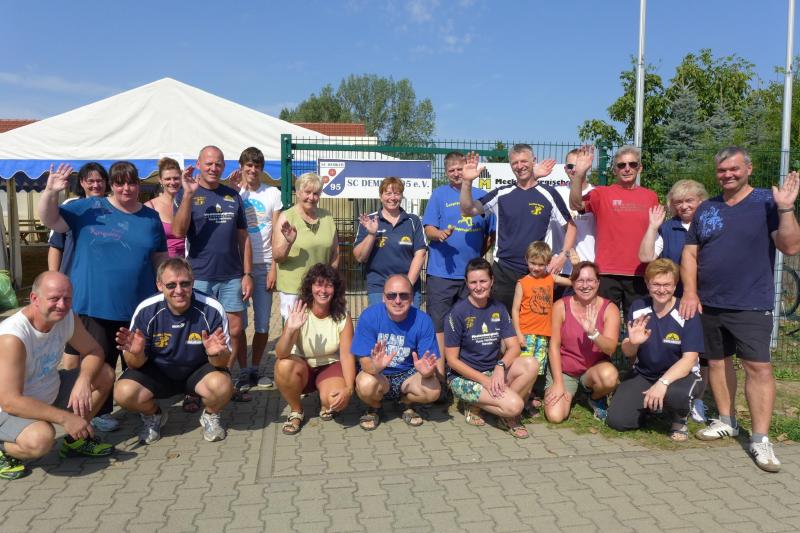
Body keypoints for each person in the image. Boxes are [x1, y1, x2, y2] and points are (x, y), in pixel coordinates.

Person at [680, 146, 800, 473]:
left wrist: (786, 208)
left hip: (751, 303)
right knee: (718, 363)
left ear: (749, 168)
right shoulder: (707, 208)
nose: (728, 175)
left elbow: (790, 246)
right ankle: (727, 420)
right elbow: (690, 253)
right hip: (710, 302)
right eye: (722, 170)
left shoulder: (767, 202)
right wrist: (690, 291)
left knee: (758, 368)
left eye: (734, 169)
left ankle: (760, 438)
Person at [39, 161, 168, 433]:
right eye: (120, 183)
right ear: (112, 185)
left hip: (138, 308)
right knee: (98, 365)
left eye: (131, 183)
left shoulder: (150, 217)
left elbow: (160, 256)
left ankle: (144, 406)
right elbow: (49, 220)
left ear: (138, 184)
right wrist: (50, 192)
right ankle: (99, 413)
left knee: (140, 362)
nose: (126, 188)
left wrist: (165, 285)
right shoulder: (87, 208)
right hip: (94, 305)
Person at [0, 272, 115, 480]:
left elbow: (94, 351)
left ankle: (76, 440)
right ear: (34, 298)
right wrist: (66, 418)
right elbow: (10, 401)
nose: (61, 305)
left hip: (48, 389)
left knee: (104, 374)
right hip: (8, 409)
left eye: (67, 298)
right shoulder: (13, 337)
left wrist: (83, 380)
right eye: (54, 298)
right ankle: (3, 449)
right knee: (42, 439)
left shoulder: (67, 317)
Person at [114, 258, 233, 443]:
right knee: (123, 392)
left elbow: (223, 363)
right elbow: (133, 364)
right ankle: (154, 415)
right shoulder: (146, 310)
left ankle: (211, 415)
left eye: (185, 284)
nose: (179, 290)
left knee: (223, 385)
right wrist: (136, 353)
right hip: (158, 373)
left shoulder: (212, 308)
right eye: (171, 285)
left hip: (197, 372)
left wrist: (215, 354)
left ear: (193, 282)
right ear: (159, 285)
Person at [172, 146, 253, 402]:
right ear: (198, 164)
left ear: (224, 166)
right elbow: (178, 231)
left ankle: (224, 379)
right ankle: (194, 386)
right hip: (200, 277)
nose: (213, 168)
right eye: (208, 163)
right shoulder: (186, 192)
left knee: (235, 330)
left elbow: (244, 238)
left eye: (218, 164)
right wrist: (188, 195)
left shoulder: (232, 195)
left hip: (232, 276)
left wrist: (248, 274)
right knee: (196, 332)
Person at [460, 146, 576, 312]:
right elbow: (467, 210)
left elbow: (571, 227)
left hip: (536, 272)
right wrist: (467, 182)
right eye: (515, 163)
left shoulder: (548, 194)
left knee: (535, 325)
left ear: (533, 161)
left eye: (524, 161)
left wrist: (563, 257)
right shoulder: (501, 194)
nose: (519, 166)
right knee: (503, 324)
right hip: (504, 273)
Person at [606, 259, 704, 442]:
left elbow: (689, 359)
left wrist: (662, 383)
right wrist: (633, 343)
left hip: (680, 376)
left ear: (675, 285)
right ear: (647, 284)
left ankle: (679, 419)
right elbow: (628, 352)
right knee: (617, 421)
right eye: (656, 284)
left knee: (677, 395)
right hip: (645, 373)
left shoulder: (686, 310)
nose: (661, 290)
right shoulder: (638, 307)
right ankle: (650, 408)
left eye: (667, 284)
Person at [638, 179, 709, 423]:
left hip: (707, 298)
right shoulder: (668, 228)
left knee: (704, 354)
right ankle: (669, 392)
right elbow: (646, 256)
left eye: (689, 200)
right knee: (680, 348)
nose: (684, 206)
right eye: (678, 202)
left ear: (701, 200)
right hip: (676, 301)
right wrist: (652, 227)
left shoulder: (711, 224)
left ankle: (697, 398)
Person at [445, 258, 538, 438]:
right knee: (516, 406)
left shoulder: (499, 308)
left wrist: (500, 366)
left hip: (492, 371)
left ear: (492, 281)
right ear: (466, 283)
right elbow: (452, 361)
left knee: (531, 364)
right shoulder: (457, 313)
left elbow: (514, 347)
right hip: (464, 378)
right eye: (473, 282)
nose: (479, 287)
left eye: (483, 281)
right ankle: (496, 410)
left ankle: (497, 409)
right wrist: (485, 381)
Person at [569, 145, 659, 316]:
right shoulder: (601, 193)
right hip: (607, 273)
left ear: (640, 168)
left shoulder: (651, 196)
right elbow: (575, 204)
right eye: (621, 165)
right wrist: (579, 175)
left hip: (640, 273)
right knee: (604, 324)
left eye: (632, 164)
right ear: (614, 170)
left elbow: (656, 233)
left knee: (639, 325)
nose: (627, 168)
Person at [423, 151, 494, 362]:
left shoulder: (483, 196)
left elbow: (491, 234)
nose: (456, 173)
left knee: (468, 324)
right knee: (438, 325)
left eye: (459, 169)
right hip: (441, 275)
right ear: (446, 172)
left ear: (467, 169)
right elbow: (428, 229)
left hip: (471, 277)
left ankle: (464, 369)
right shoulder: (438, 195)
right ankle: (439, 371)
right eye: (451, 170)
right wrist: (439, 234)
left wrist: (476, 257)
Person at [274, 264, 356, 435]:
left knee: (334, 402)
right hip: (303, 366)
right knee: (283, 365)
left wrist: (349, 389)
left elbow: (347, 355)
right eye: (318, 284)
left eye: (329, 285)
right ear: (310, 287)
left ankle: (324, 398)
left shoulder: (343, 316)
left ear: (335, 289)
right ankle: (296, 410)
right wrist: (290, 330)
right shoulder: (299, 311)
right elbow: (281, 353)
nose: (323, 290)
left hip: (330, 365)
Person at [351, 274, 440, 430]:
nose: (397, 301)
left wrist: (427, 373)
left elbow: (428, 363)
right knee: (365, 384)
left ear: (412, 298)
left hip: (408, 375)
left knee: (433, 390)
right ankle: (375, 407)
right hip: (379, 375)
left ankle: (405, 403)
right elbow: (364, 362)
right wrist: (376, 367)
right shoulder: (369, 316)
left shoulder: (423, 320)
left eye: (403, 295)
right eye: (391, 295)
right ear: (383, 297)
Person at [228, 147, 283, 392]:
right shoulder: (233, 193)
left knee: (262, 324)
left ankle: (255, 369)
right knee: (238, 325)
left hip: (264, 265)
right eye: (248, 165)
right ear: (241, 167)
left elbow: (277, 232)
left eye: (257, 166)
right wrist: (234, 191)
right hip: (237, 267)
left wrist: (274, 268)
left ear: (262, 169)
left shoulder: (272, 193)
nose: (252, 170)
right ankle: (242, 371)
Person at [544, 261, 621, 422]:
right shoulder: (561, 306)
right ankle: (569, 388)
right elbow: (554, 347)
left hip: (593, 369)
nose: (585, 285)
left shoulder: (610, 309)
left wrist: (594, 334)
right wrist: (558, 383)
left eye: (590, 280)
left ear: (598, 283)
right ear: (572, 283)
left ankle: (594, 397)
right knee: (555, 416)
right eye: (580, 281)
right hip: (565, 370)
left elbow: (610, 349)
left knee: (610, 377)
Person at [511, 241, 571, 407]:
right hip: (526, 333)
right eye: (533, 263)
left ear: (548, 263)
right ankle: (518, 401)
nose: (536, 268)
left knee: (537, 370)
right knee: (525, 369)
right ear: (526, 260)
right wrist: (518, 334)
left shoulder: (550, 278)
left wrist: (575, 262)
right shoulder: (522, 283)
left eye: (541, 264)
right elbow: (515, 310)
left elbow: (573, 282)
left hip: (543, 334)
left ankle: (526, 400)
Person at [273, 172, 339, 319]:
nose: (311, 197)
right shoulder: (286, 217)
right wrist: (289, 242)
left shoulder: (327, 217)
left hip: (320, 287)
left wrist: (329, 280)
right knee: (295, 329)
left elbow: (335, 253)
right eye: (307, 192)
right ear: (297, 192)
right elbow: (277, 257)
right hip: (293, 288)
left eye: (315, 193)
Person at [354, 177, 427, 307]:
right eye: (388, 193)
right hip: (379, 287)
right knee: (381, 320)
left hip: (409, 285)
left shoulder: (413, 221)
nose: (392, 198)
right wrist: (371, 234)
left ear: (402, 196)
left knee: (409, 320)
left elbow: (420, 255)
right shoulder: (370, 220)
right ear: (381, 196)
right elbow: (360, 257)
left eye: (397, 193)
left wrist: (406, 286)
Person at [48, 161, 109, 274]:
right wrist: (54, 275)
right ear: (82, 182)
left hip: (104, 277)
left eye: (100, 181)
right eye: (90, 181)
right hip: (72, 277)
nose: (96, 185)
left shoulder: (115, 208)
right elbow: (56, 245)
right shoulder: (70, 206)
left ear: (106, 182)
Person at [550, 148, 596, 275]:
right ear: (565, 169)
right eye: (570, 166)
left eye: (579, 165)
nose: (575, 170)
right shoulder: (555, 192)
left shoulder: (596, 194)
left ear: (587, 166)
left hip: (587, 267)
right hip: (559, 267)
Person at [145, 157, 186, 258]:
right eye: (168, 179)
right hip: (162, 263)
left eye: (176, 178)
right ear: (160, 180)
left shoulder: (188, 203)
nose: (172, 182)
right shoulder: (150, 207)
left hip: (188, 263)